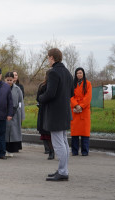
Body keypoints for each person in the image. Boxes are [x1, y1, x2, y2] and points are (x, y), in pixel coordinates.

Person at [38, 48, 74, 181]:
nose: (48, 60)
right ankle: (62, 169)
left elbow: (50, 94)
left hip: (55, 114)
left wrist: (40, 98)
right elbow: (71, 93)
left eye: (48, 57)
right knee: (63, 142)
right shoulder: (67, 73)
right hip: (64, 112)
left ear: (52, 57)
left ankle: (63, 172)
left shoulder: (53, 73)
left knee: (59, 143)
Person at [70, 67, 92, 156]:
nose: (79, 74)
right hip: (75, 110)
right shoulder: (72, 84)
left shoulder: (88, 83)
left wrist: (81, 106)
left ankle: (85, 151)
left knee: (85, 131)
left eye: (80, 73)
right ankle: (74, 151)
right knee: (74, 132)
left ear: (83, 74)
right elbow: (70, 96)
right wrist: (76, 105)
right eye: (77, 73)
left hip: (84, 110)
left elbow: (88, 97)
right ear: (75, 74)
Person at [4, 72, 25, 157]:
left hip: (15, 113)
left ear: (13, 80)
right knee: (5, 132)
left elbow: (21, 102)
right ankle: (4, 149)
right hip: (4, 113)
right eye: (7, 80)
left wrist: (22, 115)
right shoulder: (2, 88)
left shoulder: (17, 89)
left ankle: (11, 149)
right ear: (5, 80)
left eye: (10, 80)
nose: (9, 82)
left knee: (13, 132)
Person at [37, 70, 55, 160]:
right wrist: (43, 98)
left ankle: (54, 150)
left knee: (53, 133)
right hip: (44, 110)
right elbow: (38, 97)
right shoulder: (42, 85)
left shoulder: (55, 86)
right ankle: (50, 150)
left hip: (52, 110)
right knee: (46, 133)